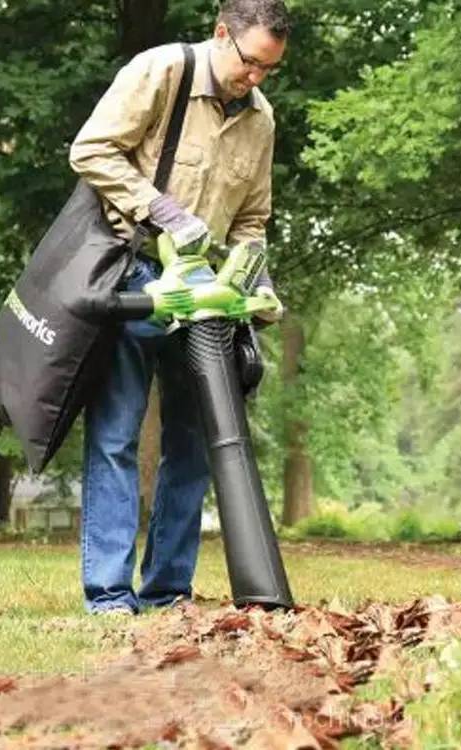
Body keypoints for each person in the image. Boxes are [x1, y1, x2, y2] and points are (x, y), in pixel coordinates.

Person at [69, 0, 290, 614]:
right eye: (250, 64)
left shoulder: (261, 119)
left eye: (270, 70)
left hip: (205, 292)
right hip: (135, 272)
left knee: (194, 441)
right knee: (116, 433)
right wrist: (163, 211)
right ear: (223, 34)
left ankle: (167, 591)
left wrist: (255, 278)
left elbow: (252, 218)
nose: (256, 79)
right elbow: (91, 150)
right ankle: (110, 593)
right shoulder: (162, 71)